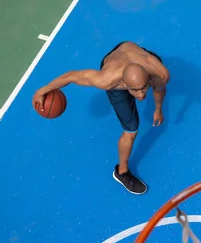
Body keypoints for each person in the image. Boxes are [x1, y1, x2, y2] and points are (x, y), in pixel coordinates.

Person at [32, 41, 170, 195]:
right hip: (115, 62)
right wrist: (41, 90)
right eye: (135, 90)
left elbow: (159, 89)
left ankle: (139, 80)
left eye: (144, 87)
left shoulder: (159, 73)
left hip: (135, 54)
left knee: (156, 75)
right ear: (124, 83)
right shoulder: (107, 80)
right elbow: (72, 76)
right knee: (131, 130)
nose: (141, 94)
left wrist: (158, 109)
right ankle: (122, 172)